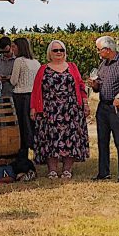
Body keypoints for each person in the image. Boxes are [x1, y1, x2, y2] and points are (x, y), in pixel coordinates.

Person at [32, 40, 89, 179]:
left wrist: (85, 104)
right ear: (49, 53)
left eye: (61, 50)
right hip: (49, 110)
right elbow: (36, 90)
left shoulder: (72, 67)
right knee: (50, 139)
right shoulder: (43, 69)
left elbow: (81, 86)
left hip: (71, 109)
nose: (59, 53)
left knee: (71, 138)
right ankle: (52, 170)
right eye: (55, 50)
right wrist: (33, 108)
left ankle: (67, 170)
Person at [90, 36, 119, 183]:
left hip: (117, 106)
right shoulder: (103, 64)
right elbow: (100, 86)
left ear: (107, 49)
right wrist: (95, 85)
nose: (98, 52)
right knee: (102, 141)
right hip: (103, 106)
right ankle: (103, 172)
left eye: (99, 49)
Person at [9, 38, 41, 179]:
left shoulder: (19, 61)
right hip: (33, 97)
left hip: (20, 97)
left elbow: (13, 81)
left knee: (21, 129)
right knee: (31, 127)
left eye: (14, 46)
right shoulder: (36, 62)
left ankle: (22, 160)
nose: (12, 49)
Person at [0, 36, 16, 101]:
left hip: (15, 94)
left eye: (7, 51)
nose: (5, 54)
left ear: (11, 47)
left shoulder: (17, 60)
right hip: (0, 93)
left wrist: (11, 77)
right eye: (2, 52)